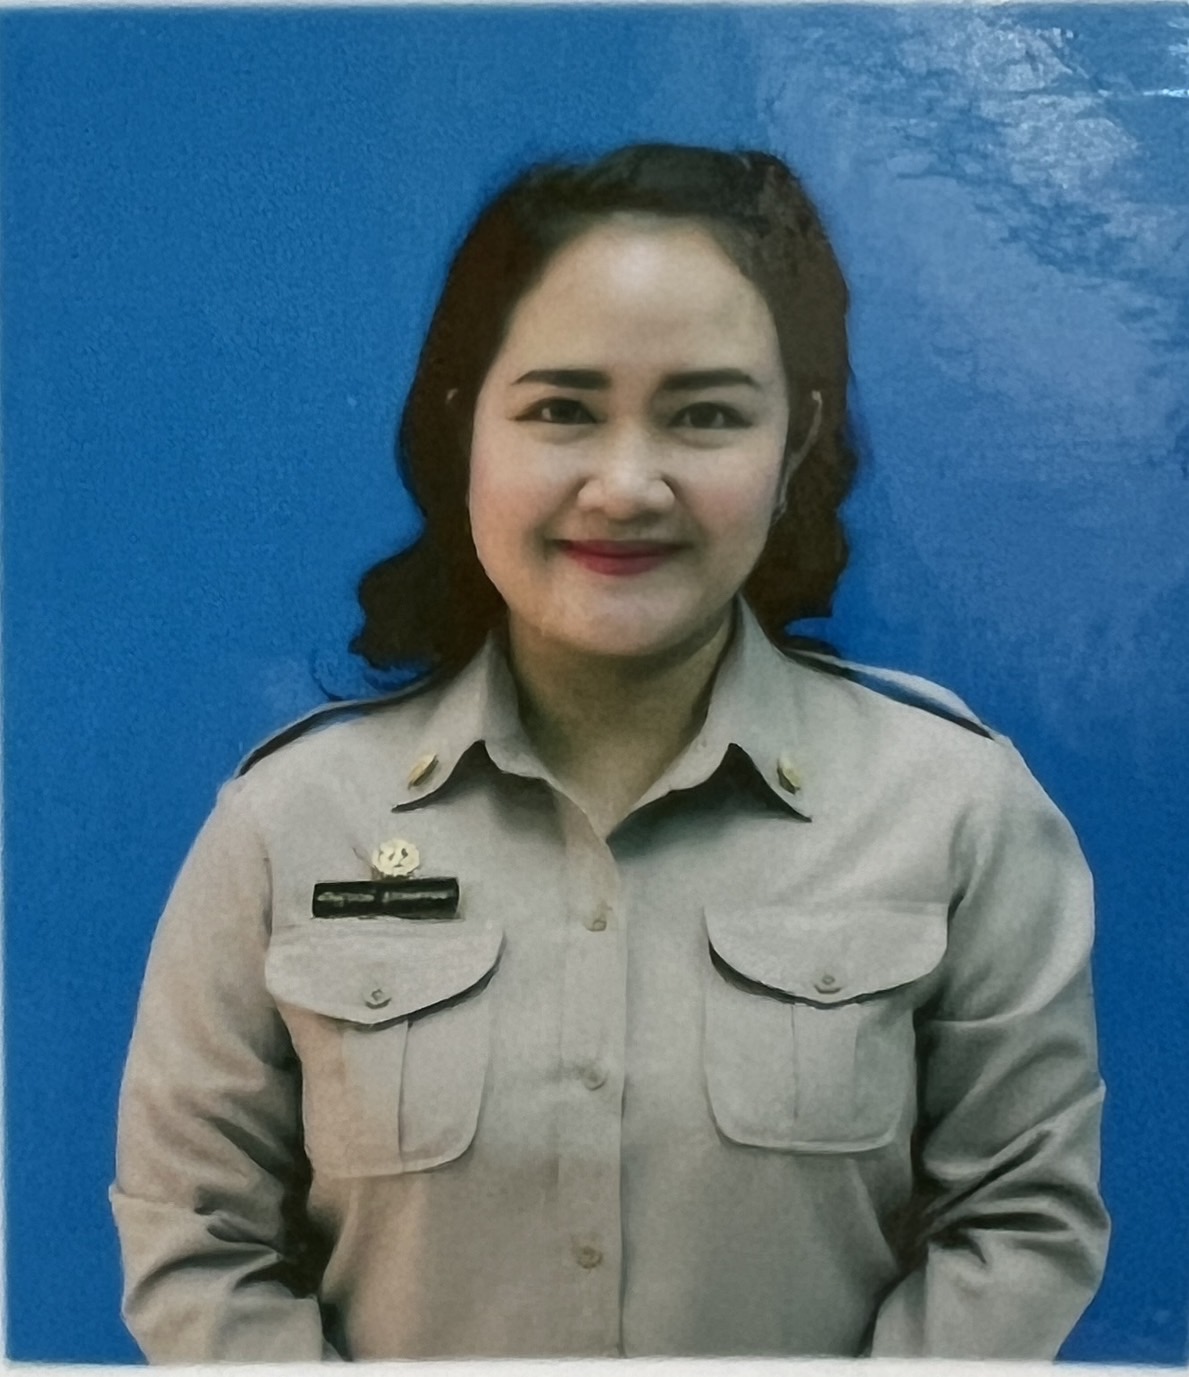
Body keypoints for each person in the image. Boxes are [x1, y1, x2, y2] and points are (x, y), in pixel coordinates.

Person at [111, 143, 1109, 1361]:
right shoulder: (288, 824)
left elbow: (1018, 1224)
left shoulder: (954, 812)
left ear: (794, 442)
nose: (627, 485)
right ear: (462, 428)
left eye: (704, 415)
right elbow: (196, 1240)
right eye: (561, 410)